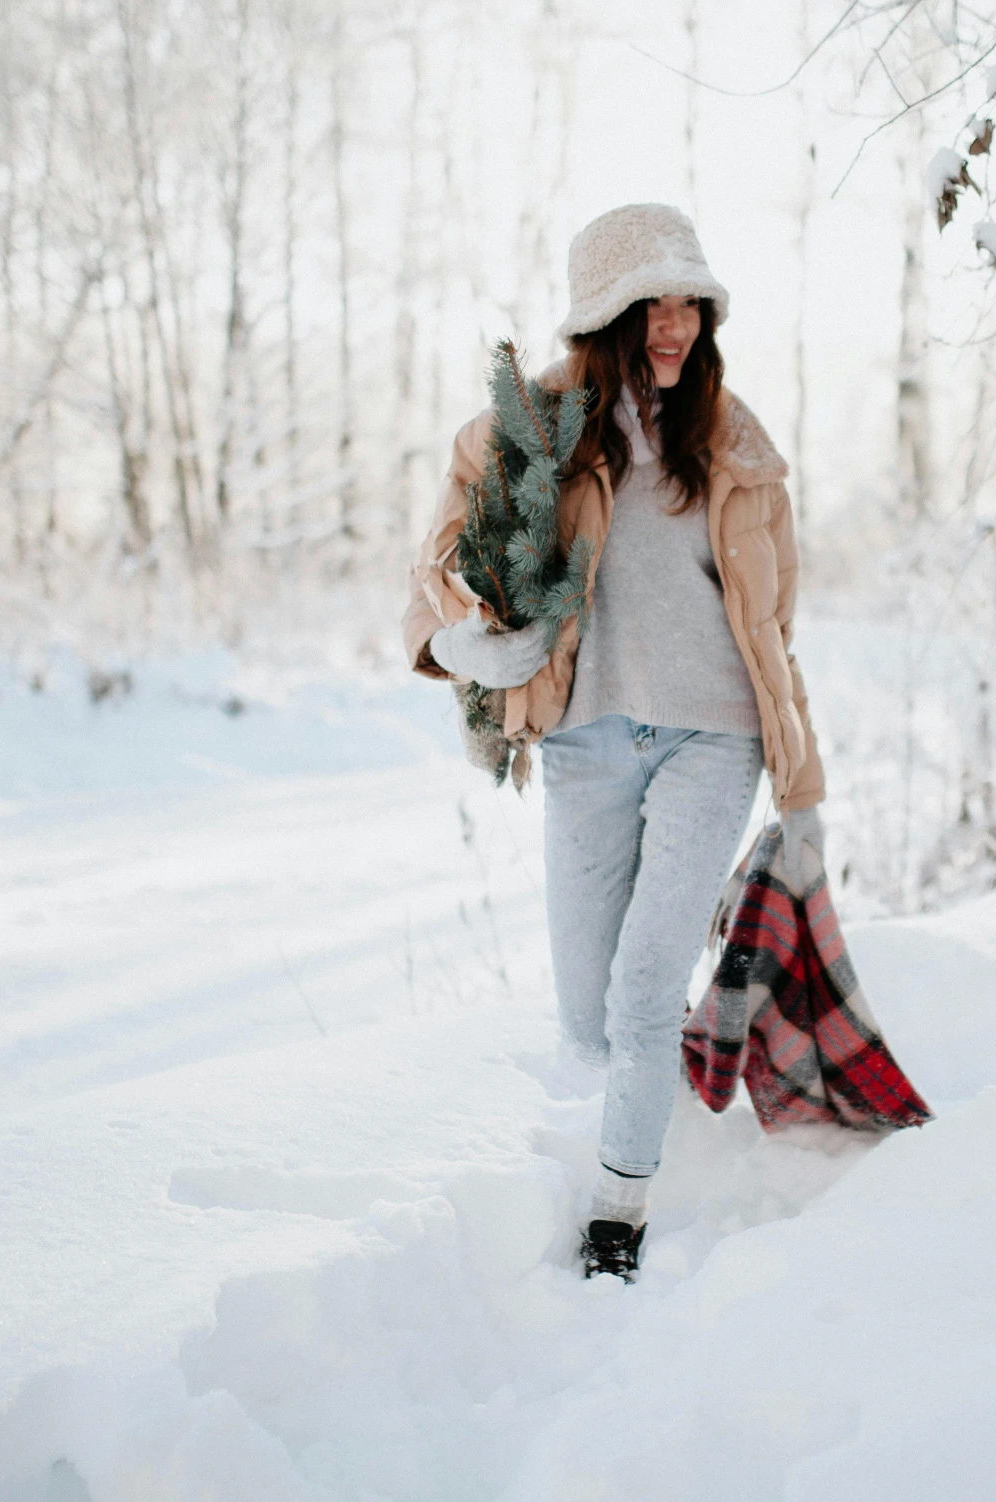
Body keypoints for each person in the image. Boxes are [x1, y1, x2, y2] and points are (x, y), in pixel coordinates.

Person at [402, 203, 827, 1281]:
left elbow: (773, 628)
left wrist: (801, 780)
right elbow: (439, 563)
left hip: (713, 736)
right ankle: (661, 1080)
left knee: (640, 990)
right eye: (655, 303)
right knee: (590, 1013)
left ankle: (618, 1214)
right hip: (587, 737)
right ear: (606, 315)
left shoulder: (736, 445)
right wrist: (470, 645)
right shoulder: (527, 431)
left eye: (693, 302)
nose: (678, 323)